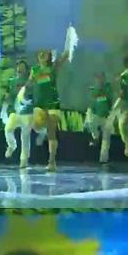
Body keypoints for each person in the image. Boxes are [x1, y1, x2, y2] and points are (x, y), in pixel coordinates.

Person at [23, 30, 79, 171]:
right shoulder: (34, 70)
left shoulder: (53, 67)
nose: (42, 55)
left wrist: (69, 38)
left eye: (45, 53)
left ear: (49, 55)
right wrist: (24, 89)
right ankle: (41, 132)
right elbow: (29, 83)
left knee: (51, 131)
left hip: (53, 104)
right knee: (36, 124)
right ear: (38, 56)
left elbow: (66, 54)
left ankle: (52, 161)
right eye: (40, 53)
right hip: (39, 104)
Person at [84, 73, 114, 164]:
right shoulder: (92, 89)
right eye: (97, 78)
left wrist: (110, 111)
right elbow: (92, 100)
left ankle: (103, 160)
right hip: (95, 115)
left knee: (106, 138)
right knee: (90, 122)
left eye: (101, 77)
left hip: (106, 115)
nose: (99, 79)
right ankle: (95, 137)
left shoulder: (108, 88)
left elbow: (110, 99)